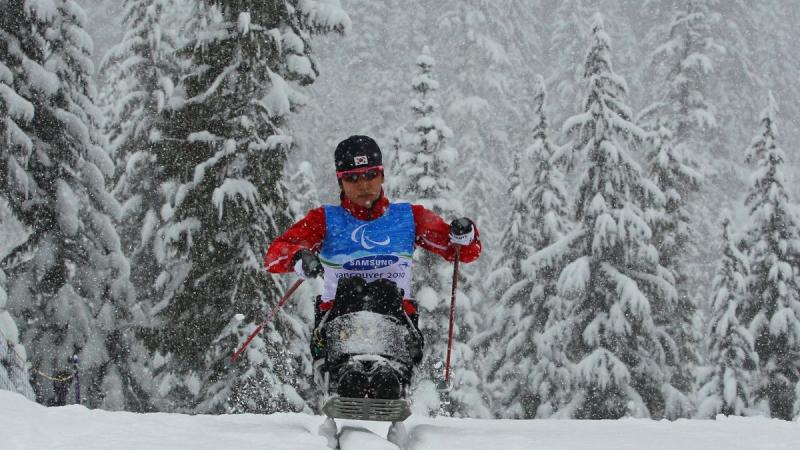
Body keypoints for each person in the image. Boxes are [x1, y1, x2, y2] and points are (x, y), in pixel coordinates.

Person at [264, 135, 481, 397]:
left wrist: (463, 233)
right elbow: (275, 254)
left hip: (396, 320)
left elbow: (462, 251)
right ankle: (347, 375)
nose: (363, 185)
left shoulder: (407, 217)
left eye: (370, 174)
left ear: (382, 176)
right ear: (340, 181)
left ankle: (389, 377)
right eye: (352, 178)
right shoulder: (325, 219)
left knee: (383, 291)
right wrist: (299, 257)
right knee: (353, 289)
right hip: (338, 322)